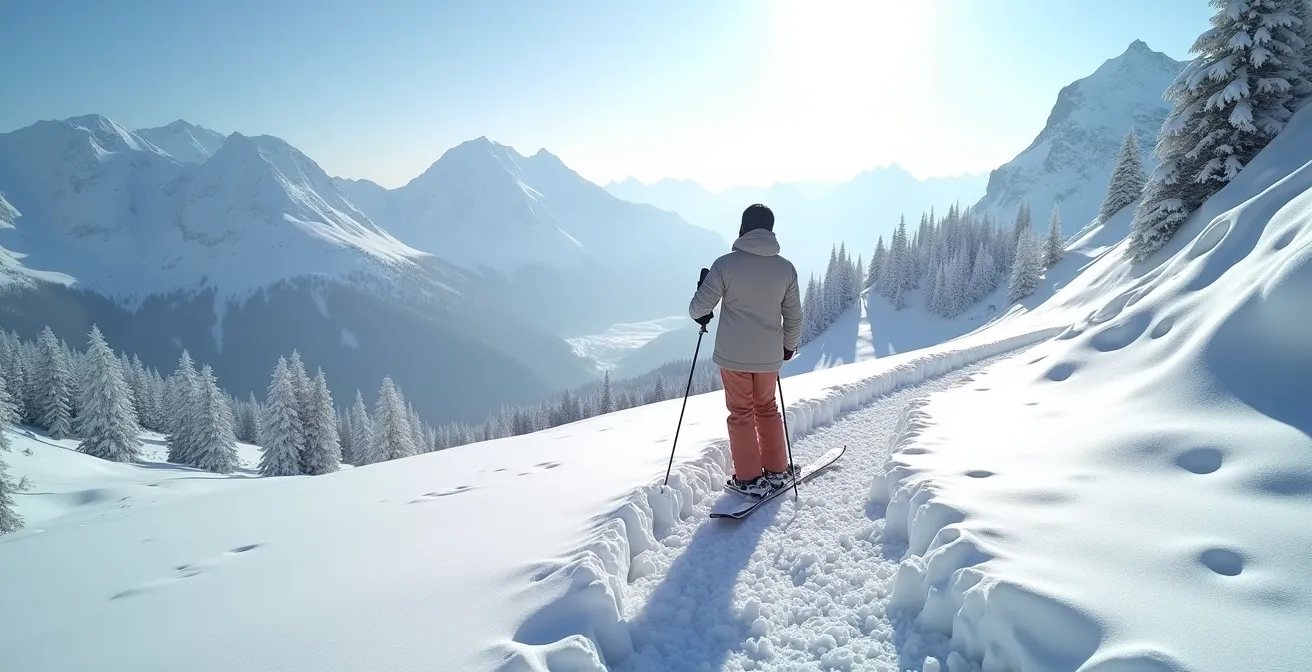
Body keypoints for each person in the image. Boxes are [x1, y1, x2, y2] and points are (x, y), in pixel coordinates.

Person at [689, 203, 803, 497]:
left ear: (742, 228)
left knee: (741, 413)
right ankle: (777, 470)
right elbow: (793, 317)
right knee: (767, 409)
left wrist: (702, 290)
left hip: (733, 355)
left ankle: (750, 479)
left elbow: (699, 308)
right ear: (771, 230)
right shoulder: (786, 269)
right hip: (768, 357)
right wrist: (788, 347)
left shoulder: (726, 264)